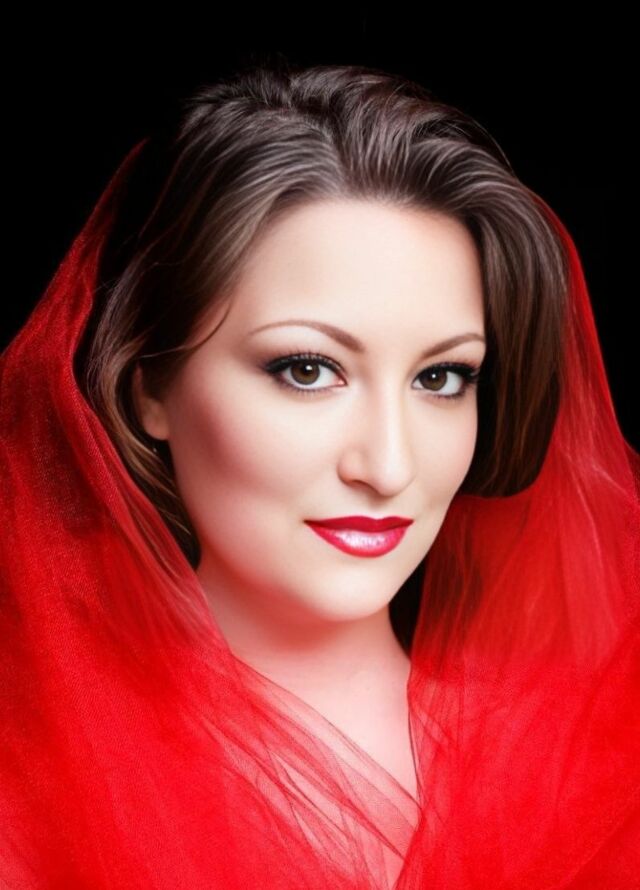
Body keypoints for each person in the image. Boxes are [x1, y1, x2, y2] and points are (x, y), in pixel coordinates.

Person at [1, 61, 638, 889]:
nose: (389, 466)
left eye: (441, 377)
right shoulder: (29, 789)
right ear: (149, 385)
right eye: (307, 369)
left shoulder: (602, 764)